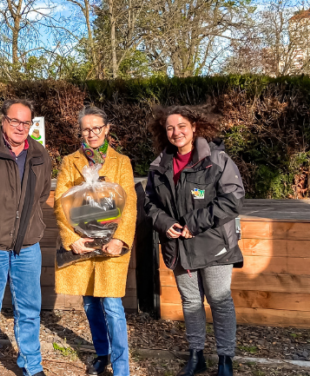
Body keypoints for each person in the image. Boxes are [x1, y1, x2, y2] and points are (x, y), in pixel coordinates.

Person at [144, 105, 245, 376]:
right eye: (170, 128)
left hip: (213, 244)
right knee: (190, 302)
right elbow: (150, 203)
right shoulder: (159, 166)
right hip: (179, 247)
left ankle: (225, 359)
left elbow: (232, 199)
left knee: (219, 299)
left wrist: (193, 223)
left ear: (195, 128)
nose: (176, 132)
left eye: (182, 126)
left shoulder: (216, 160)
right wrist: (166, 225)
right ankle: (196, 355)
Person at [54, 106, 137, 376]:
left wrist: (121, 239)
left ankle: (121, 367)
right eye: (86, 129)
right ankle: (102, 353)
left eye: (96, 128)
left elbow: (130, 205)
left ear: (107, 129)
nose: (91, 134)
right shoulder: (70, 161)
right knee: (90, 304)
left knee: (112, 306)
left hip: (111, 246)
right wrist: (70, 239)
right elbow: (60, 203)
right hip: (83, 244)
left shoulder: (121, 161)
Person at [0, 99, 52, 376]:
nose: (20, 127)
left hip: (27, 245)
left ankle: (32, 366)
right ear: (3, 120)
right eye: (14, 121)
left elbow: (41, 195)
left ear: (32, 124)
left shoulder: (40, 154)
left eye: (26, 122)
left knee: (29, 310)